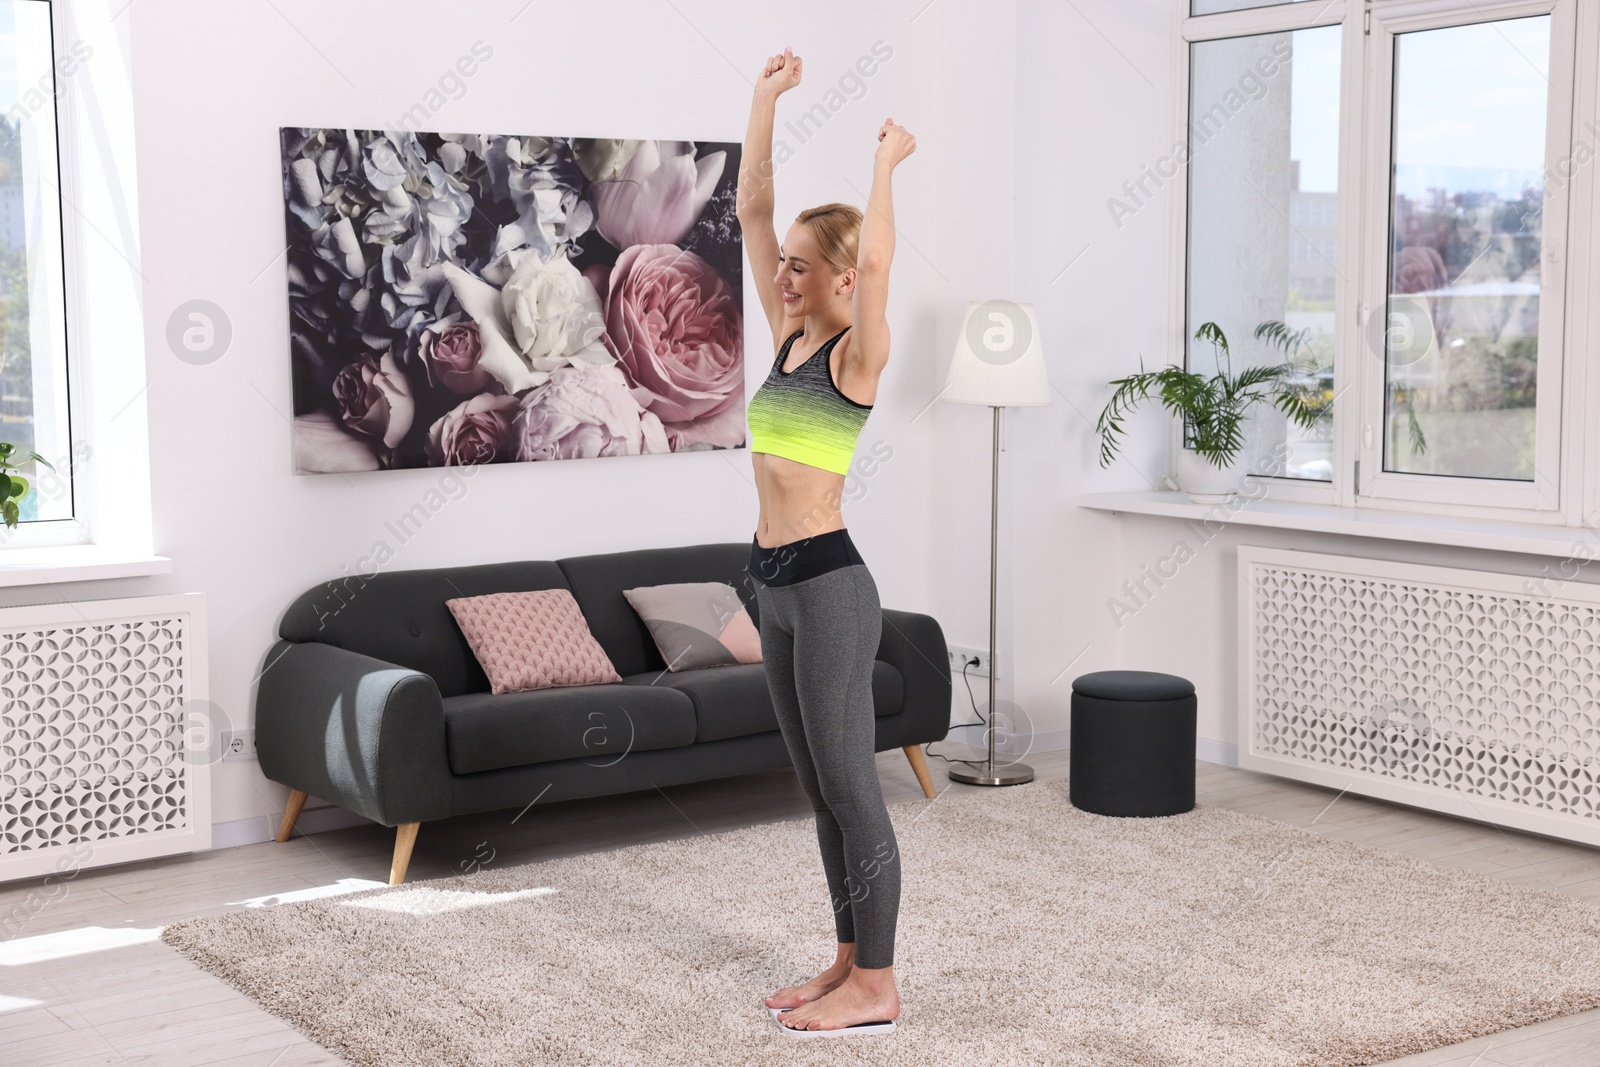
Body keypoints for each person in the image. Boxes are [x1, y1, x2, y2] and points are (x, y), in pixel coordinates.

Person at [734, 46, 916, 1035]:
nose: (782, 272)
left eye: (803, 265)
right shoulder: (790, 335)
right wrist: (762, 101)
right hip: (772, 581)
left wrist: (886, 163)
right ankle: (846, 959)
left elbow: (879, 260)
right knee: (816, 789)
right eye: (785, 266)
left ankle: (878, 982)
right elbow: (753, 209)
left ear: (838, 274)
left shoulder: (853, 354)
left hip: (832, 583)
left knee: (853, 785)